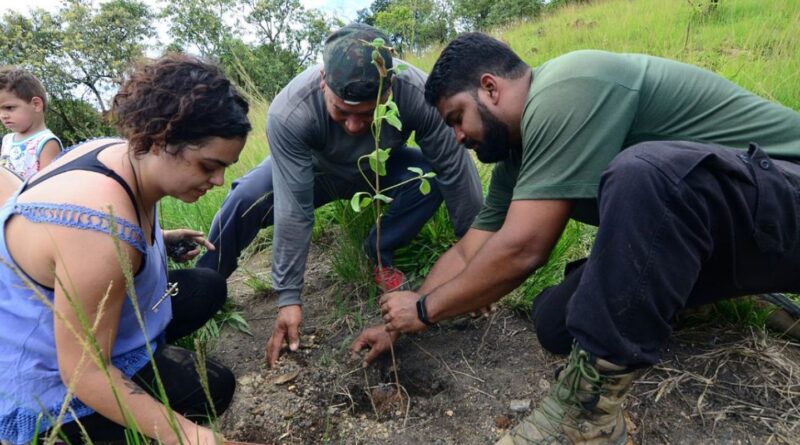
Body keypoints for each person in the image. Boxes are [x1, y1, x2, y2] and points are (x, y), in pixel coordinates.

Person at [351, 33, 800, 445]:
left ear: (490, 88)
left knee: (643, 172)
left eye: (457, 118)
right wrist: (400, 324)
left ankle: (585, 418)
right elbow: (474, 247)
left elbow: (525, 249)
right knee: (556, 319)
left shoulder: (568, 86)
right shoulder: (516, 156)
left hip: (784, 193)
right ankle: (724, 286)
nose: (457, 136)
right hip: (734, 225)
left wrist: (426, 311)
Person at [196, 23, 483, 368]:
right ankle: (204, 285)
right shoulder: (291, 112)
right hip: (314, 172)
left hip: (379, 170)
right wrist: (289, 297)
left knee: (432, 176)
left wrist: (478, 263)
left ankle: (378, 249)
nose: (353, 126)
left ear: (389, 92)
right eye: (342, 112)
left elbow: (454, 169)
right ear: (323, 84)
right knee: (246, 199)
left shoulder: (418, 92)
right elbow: (295, 210)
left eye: (366, 114)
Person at [0, 54, 251, 445]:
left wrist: (158, 243)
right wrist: (193, 437)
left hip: (91, 320)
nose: (218, 180)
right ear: (159, 140)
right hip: (50, 376)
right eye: (207, 166)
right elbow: (84, 371)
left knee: (206, 285)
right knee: (214, 387)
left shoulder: (120, 153)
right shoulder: (98, 227)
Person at [0, 67, 63, 179]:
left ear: (36, 104)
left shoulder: (46, 142)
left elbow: (49, 184)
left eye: (9, 108)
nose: (3, 116)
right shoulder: (7, 139)